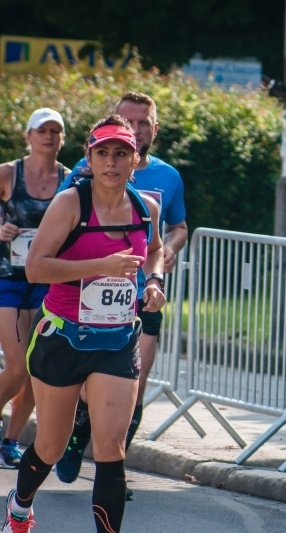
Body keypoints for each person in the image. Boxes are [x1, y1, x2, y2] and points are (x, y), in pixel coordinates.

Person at [2, 115, 165, 533]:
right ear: (89, 159)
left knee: (111, 446)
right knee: (50, 447)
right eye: (103, 153)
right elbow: (36, 269)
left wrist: (156, 282)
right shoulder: (70, 203)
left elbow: (155, 251)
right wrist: (102, 266)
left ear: (136, 160)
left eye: (121, 153)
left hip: (116, 339)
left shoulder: (146, 208)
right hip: (63, 337)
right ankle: (20, 508)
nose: (112, 162)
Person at [56, 92, 188, 488]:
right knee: (88, 383)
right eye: (128, 122)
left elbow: (174, 230)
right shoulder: (87, 169)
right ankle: (79, 434)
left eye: (143, 122)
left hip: (141, 294)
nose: (136, 129)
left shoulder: (168, 177)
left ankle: (112, 472)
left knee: (136, 382)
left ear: (154, 128)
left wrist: (160, 265)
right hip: (86, 298)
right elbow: (59, 225)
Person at [0, 108, 70, 469]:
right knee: (16, 367)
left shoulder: (70, 180)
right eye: (42, 130)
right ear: (28, 136)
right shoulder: (8, 174)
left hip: (47, 285)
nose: (49, 136)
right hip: (9, 281)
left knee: (33, 368)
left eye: (56, 131)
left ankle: (11, 440)